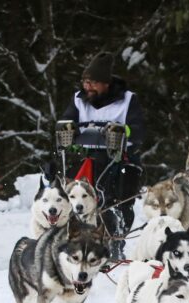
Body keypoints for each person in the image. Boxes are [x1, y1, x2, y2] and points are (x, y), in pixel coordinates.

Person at [60, 51, 146, 258]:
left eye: (92, 83)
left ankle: (116, 243)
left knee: (119, 201)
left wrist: (122, 132)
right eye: (85, 82)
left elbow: (139, 131)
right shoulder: (79, 100)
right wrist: (67, 130)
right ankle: (76, 243)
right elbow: (66, 122)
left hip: (121, 160)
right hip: (88, 159)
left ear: (105, 84)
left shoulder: (127, 101)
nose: (87, 87)